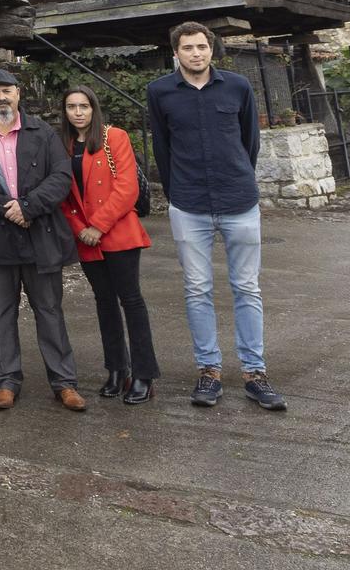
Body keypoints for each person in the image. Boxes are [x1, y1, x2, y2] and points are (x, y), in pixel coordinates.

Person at [146, 21, 287, 411]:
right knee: (197, 289)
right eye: (188, 48)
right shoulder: (159, 92)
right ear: (176, 52)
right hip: (188, 205)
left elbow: (249, 143)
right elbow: (162, 146)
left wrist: (238, 178)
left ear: (212, 49)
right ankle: (208, 371)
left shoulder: (238, 87)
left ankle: (255, 374)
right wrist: (177, 195)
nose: (196, 53)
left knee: (247, 287)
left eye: (202, 47)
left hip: (239, 201)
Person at [0, 68, 88, 413]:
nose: (1, 97)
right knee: (1, 311)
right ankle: (7, 381)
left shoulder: (42, 132)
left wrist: (28, 207)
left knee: (49, 310)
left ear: (18, 94)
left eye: (7, 91)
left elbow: (61, 176)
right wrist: (7, 209)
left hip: (38, 231)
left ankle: (64, 382)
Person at [58, 87, 160, 405]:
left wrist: (98, 226)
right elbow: (62, 194)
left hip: (116, 231)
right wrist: (81, 228)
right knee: (104, 302)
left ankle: (144, 374)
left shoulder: (113, 137)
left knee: (131, 301)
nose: (78, 112)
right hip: (86, 236)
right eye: (72, 107)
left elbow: (127, 187)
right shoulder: (61, 145)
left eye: (84, 106)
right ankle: (117, 369)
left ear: (94, 108)